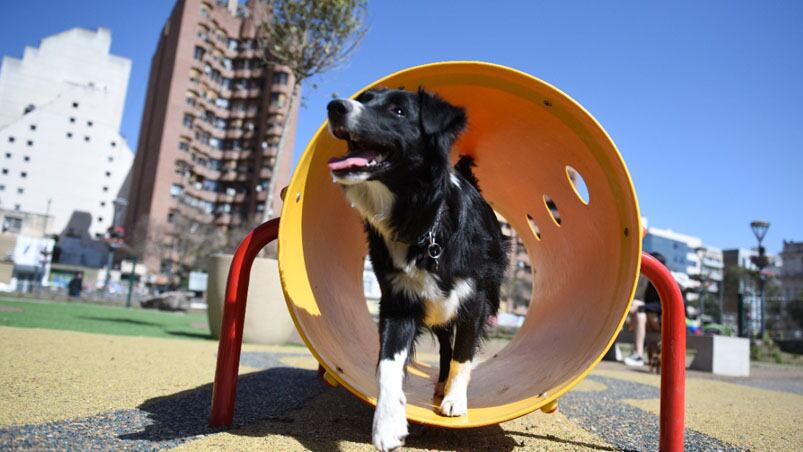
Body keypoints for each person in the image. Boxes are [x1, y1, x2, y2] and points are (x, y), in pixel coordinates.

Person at [624, 253, 666, 367]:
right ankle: (637, 354)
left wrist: (643, 307)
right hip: (650, 319)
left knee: (639, 309)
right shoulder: (648, 282)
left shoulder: (666, 281)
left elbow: (662, 305)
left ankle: (638, 354)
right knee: (637, 308)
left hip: (662, 322)